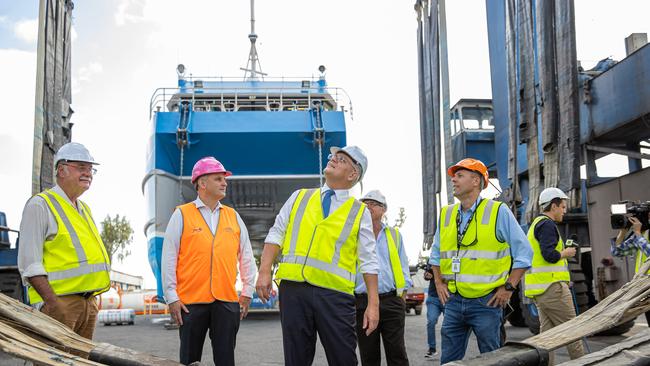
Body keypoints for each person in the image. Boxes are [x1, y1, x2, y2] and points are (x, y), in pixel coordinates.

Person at [256, 145, 380, 366]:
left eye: (341, 159)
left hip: (335, 296)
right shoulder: (300, 197)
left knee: (344, 360)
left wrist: (373, 305)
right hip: (293, 291)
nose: (333, 159)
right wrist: (264, 271)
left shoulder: (359, 212)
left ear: (353, 174)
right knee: (296, 360)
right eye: (333, 156)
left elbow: (369, 261)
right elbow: (276, 233)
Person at [428, 158, 533, 364]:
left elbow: (524, 253)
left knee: (492, 359)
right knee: (449, 360)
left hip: (486, 302)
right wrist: (439, 282)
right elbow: (436, 253)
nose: (453, 180)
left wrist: (508, 288)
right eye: (453, 176)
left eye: (459, 175)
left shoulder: (498, 211)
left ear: (476, 181)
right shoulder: (446, 214)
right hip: (454, 301)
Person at [161, 157, 257, 366]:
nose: (224, 183)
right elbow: (169, 257)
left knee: (226, 360)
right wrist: (171, 296)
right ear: (202, 183)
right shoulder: (182, 214)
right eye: (218, 179)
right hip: (190, 303)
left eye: (224, 179)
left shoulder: (233, 216)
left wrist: (248, 291)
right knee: (189, 359)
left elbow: (246, 256)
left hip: (226, 302)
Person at [18, 142, 111, 341]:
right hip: (60, 305)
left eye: (90, 169)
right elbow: (29, 262)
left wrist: (91, 301)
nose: (88, 173)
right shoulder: (40, 205)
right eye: (81, 167)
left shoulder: (84, 209)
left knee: (80, 362)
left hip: (87, 304)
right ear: (61, 170)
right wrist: (52, 303)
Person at [523, 188, 585, 364]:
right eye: (563, 207)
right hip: (552, 289)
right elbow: (549, 255)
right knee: (573, 331)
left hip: (542, 290)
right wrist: (567, 252)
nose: (564, 211)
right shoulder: (547, 224)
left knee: (547, 338)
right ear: (554, 205)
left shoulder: (536, 224)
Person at [355, 190, 412, 366]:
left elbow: (403, 266)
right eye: (365, 203)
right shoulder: (353, 234)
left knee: (397, 354)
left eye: (374, 203)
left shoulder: (394, 235)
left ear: (384, 209)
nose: (368, 206)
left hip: (391, 301)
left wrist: (401, 298)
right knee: (369, 355)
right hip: (362, 303)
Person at [611, 208, 650, 325]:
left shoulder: (640, 235)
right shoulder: (642, 235)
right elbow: (617, 251)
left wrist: (638, 233)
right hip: (643, 286)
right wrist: (623, 231)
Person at [423, 265, 444, 360]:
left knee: (449, 325)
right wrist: (427, 275)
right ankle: (432, 349)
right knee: (431, 321)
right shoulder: (433, 259)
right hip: (433, 298)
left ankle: (449, 350)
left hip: (448, 296)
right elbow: (426, 275)